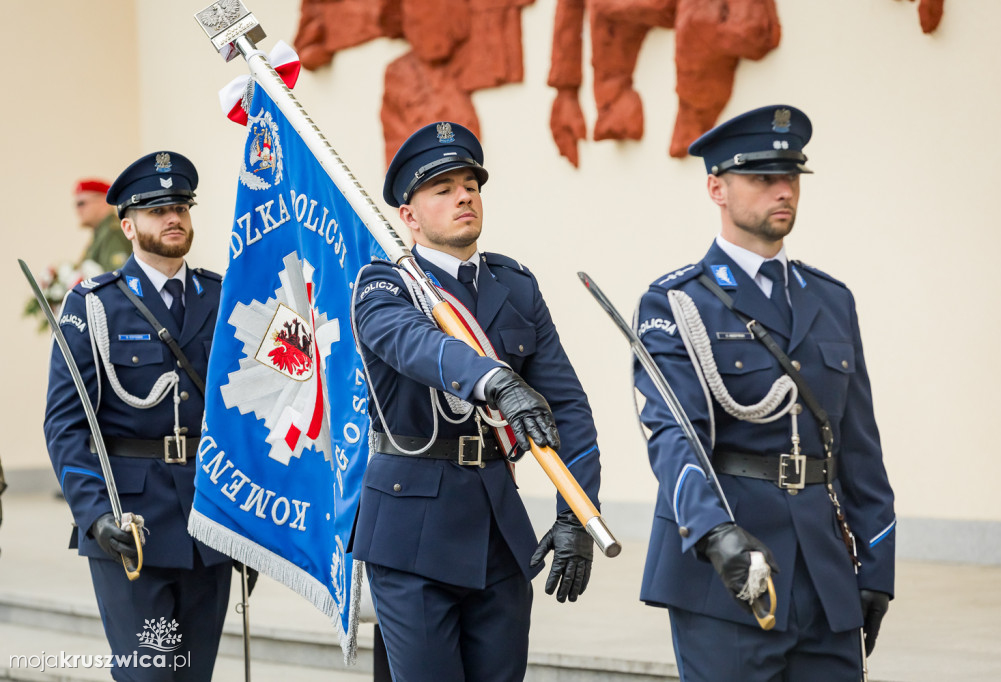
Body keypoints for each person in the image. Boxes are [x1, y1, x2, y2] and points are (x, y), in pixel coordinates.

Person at [632, 105, 896, 681]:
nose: (783, 191)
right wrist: (714, 536)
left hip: (826, 577)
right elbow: (675, 438)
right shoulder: (676, 304)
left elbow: (857, 446)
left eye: (791, 177)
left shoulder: (831, 300)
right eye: (762, 179)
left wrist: (877, 565)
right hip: (730, 570)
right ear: (716, 188)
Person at [351, 122, 603, 682]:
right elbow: (412, 342)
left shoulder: (514, 286)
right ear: (409, 217)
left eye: (471, 184)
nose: (464, 195)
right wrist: (497, 381)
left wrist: (577, 515)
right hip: (411, 529)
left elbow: (566, 407)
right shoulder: (382, 286)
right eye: (442, 189)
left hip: (496, 526)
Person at [44, 152, 239, 680]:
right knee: (148, 674)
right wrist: (95, 514)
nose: (173, 217)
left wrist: (252, 524)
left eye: (180, 206)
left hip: (209, 517)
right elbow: (66, 424)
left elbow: (244, 413)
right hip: (130, 521)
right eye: (157, 210)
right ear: (128, 226)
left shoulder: (222, 298)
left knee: (195, 674)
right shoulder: (94, 305)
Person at [73, 178, 132, 271]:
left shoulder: (113, 232)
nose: (77, 210)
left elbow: (116, 277)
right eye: (75, 205)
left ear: (103, 201)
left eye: (81, 203)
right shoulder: (100, 232)